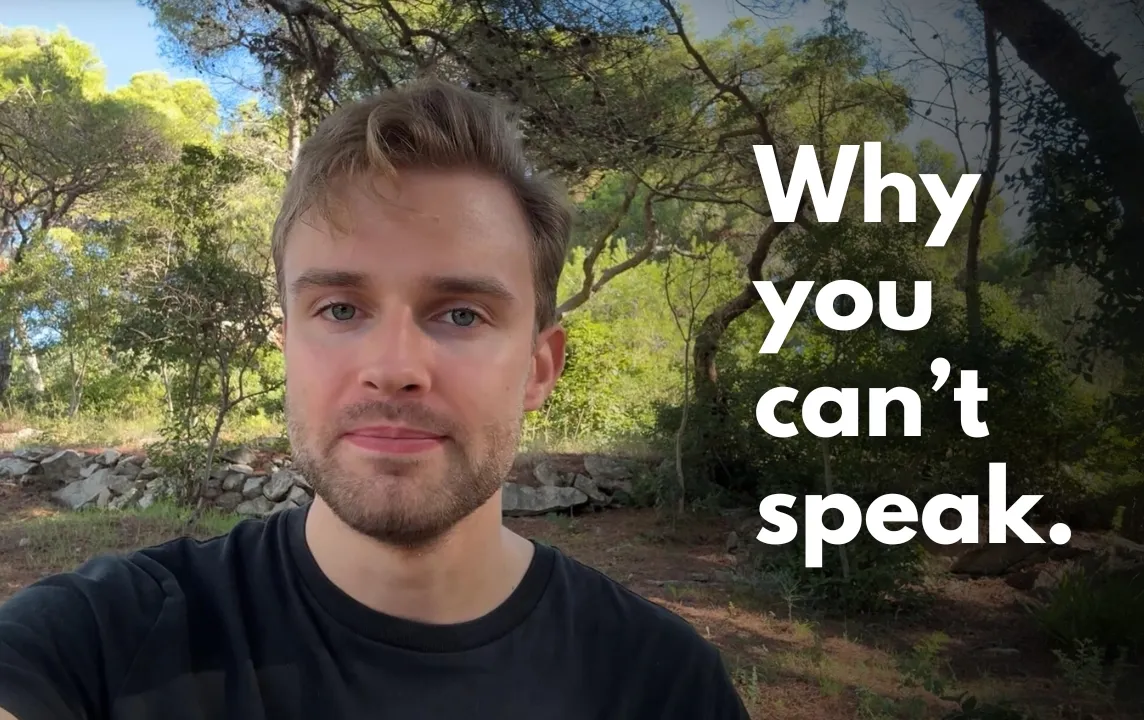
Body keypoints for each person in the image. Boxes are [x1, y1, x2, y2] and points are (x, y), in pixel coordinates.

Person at [0, 80, 750, 720]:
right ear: (286, 345)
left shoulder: (665, 685)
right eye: (339, 309)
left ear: (538, 368)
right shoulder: (93, 644)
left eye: (462, 314)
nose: (393, 369)